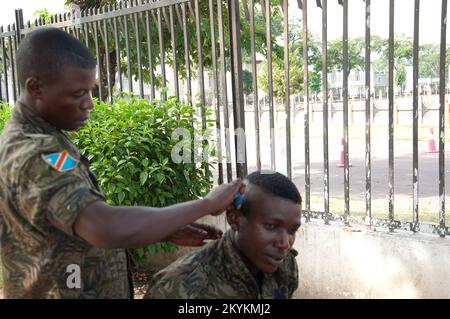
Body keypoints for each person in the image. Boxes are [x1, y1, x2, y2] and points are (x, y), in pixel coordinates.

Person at [0, 27, 244, 299]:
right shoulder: (36, 151)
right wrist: (207, 204)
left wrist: (160, 229)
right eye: (78, 93)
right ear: (36, 88)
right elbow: (103, 226)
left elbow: (76, 220)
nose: (89, 104)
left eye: (89, 91)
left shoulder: (43, 135)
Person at [145, 170, 302, 299]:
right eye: (271, 226)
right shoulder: (177, 288)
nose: (284, 243)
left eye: (292, 230)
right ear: (234, 219)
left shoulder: (285, 265)